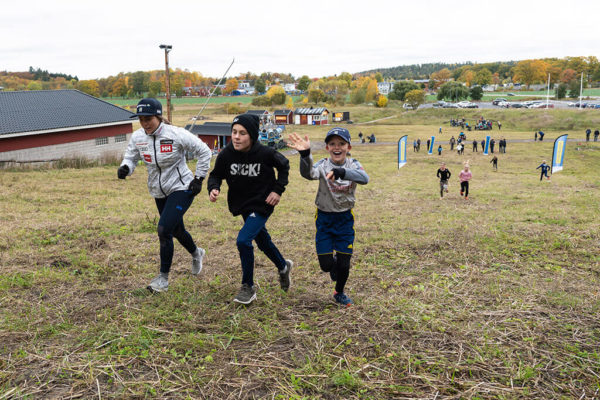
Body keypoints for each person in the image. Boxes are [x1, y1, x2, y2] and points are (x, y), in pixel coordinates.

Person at [117, 98, 212, 293]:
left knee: (163, 230)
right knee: (176, 230)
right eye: (141, 119)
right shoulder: (137, 137)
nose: (145, 123)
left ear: (158, 116)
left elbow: (204, 151)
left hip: (182, 187)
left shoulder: (176, 134)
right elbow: (131, 156)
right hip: (158, 190)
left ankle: (163, 279)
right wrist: (126, 167)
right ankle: (196, 253)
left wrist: (199, 178)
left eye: (148, 118)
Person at [207, 114, 292, 305]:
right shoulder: (226, 154)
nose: (236, 137)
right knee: (262, 241)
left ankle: (248, 287)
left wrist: (277, 190)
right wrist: (214, 188)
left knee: (244, 240)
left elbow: (284, 166)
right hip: (242, 205)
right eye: (234, 132)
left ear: (252, 135)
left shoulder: (265, 153)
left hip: (263, 203)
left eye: (242, 133)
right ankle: (283, 266)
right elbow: (215, 175)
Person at [288, 128, 369, 307]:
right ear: (327, 147)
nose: (337, 147)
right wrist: (305, 155)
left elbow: (365, 178)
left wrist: (343, 173)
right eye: (332, 144)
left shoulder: (353, 164)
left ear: (349, 147)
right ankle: (332, 265)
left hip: (345, 220)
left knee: (344, 264)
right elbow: (308, 174)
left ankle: (339, 292)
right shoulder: (322, 165)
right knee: (326, 266)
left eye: (341, 143)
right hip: (324, 219)